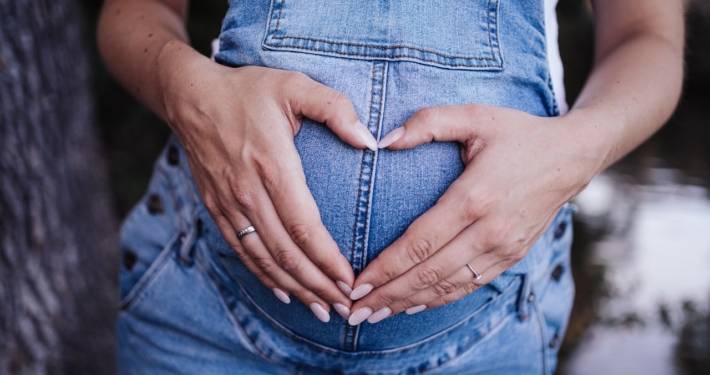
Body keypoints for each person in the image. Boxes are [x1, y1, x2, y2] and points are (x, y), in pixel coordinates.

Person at [97, 0, 684, 373]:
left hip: (485, 338)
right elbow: (133, 12)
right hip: (205, 313)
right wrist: (187, 91)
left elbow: (646, 36)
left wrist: (575, 152)